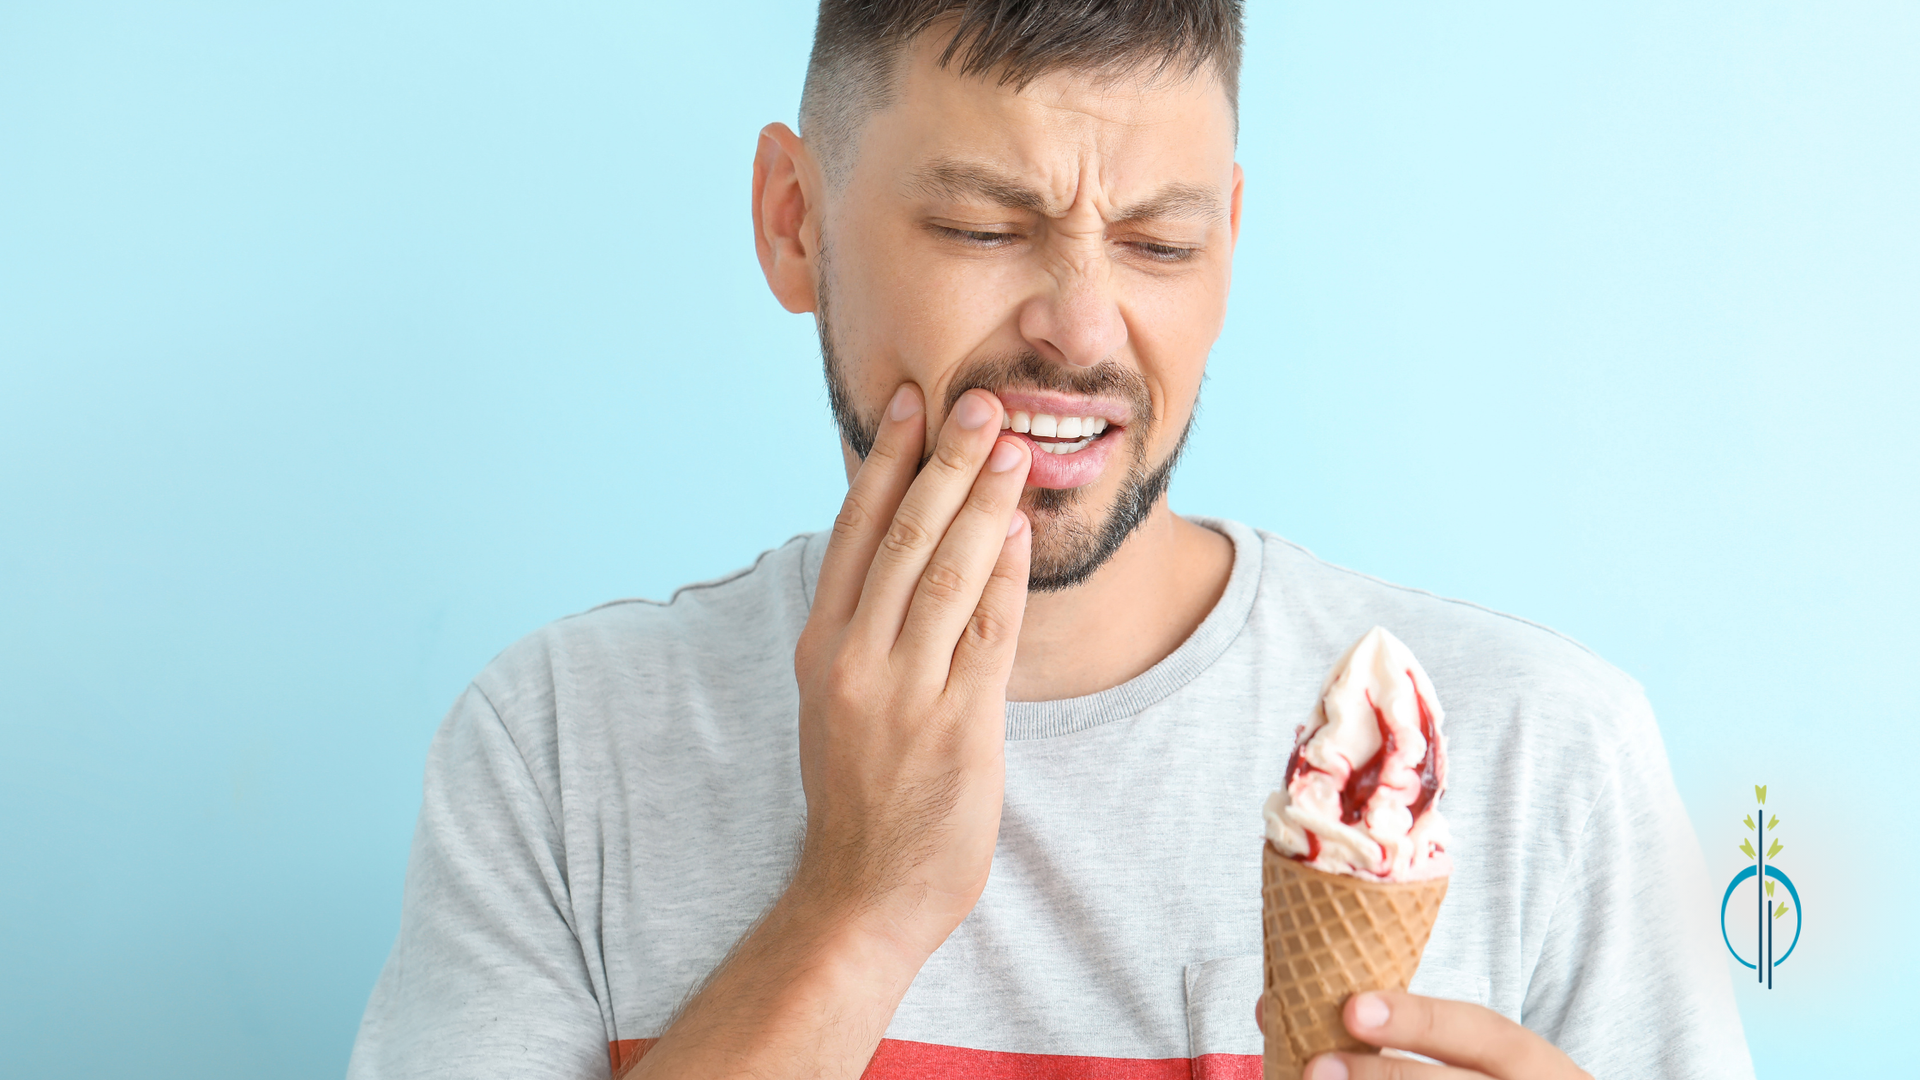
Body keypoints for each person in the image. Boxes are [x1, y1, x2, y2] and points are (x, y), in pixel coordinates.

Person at [346, 3, 1753, 1078]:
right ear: (795, 222)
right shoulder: (560, 751)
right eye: (983, 224)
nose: (1084, 330)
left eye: (1159, 245)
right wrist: (855, 905)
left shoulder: (1538, 755)